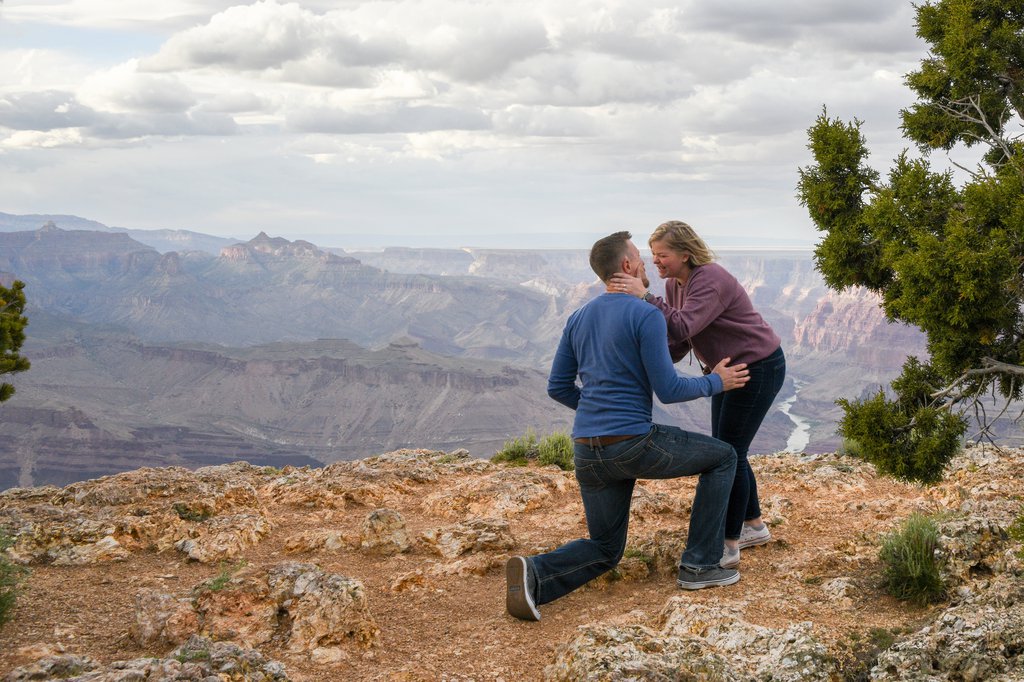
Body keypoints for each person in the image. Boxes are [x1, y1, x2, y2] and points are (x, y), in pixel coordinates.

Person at [505, 231, 749, 622]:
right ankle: (701, 566)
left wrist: (596, 410)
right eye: (639, 257)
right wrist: (716, 382)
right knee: (723, 457)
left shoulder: (578, 317)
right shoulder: (646, 314)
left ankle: (536, 572)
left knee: (605, 548)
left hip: (586, 449)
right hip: (632, 443)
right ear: (625, 266)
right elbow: (667, 390)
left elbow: (558, 387)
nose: (645, 264)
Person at [610, 220, 785, 570]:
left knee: (730, 451)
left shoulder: (711, 279)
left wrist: (643, 296)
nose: (656, 262)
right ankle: (753, 526)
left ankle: (729, 543)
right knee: (729, 448)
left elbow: (683, 325)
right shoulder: (677, 283)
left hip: (756, 367)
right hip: (726, 371)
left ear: (686, 254)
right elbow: (678, 342)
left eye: (664, 255)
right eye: (653, 255)